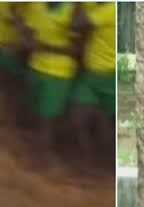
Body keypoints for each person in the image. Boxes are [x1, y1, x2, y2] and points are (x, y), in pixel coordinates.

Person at [21, 2, 82, 165]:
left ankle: (42, 160)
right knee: (36, 115)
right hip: (36, 67)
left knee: (46, 121)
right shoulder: (39, 7)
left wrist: (44, 47)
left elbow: (77, 49)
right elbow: (30, 29)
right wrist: (26, 35)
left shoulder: (72, 11)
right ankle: (40, 155)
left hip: (57, 73)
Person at [69, 2, 115, 166]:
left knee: (112, 126)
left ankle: (102, 163)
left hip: (111, 78)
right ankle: (89, 158)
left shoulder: (111, 9)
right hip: (91, 76)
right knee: (78, 118)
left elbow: (76, 24)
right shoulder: (104, 9)